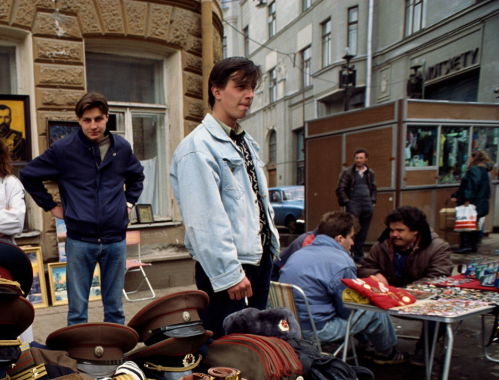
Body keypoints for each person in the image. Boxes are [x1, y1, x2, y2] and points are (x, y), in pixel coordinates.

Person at [170, 57, 280, 339]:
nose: (249, 94)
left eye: (252, 87)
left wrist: (270, 251)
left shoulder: (243, 142)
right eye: (241, 86)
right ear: (216, 91)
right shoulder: (198, 147)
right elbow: (204, 219)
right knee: (226, 350)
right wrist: (229, 273)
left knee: (254, 345)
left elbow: (256, 202)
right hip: (230, 268)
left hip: (256, 260)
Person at [20, 92, 145, 325]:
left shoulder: (122, 148)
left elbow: (137, 176)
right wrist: (51, 206)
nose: (93, 125)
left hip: (114, 240)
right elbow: (28, 175)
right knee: (77, 312)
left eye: (98, 119)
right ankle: (76, 357)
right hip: (80, 241)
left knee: (115, 309)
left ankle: (114, 355)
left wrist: (128, 204)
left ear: (107, 117)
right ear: (79, 120)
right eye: (87, 120)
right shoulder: (64, 150)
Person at [279, 212, 408, 364]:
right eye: (351, 237)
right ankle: (387, 353)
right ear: (340, 239)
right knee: (373, 310)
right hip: (315, 332)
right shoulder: (342, 261)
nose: (353, 242)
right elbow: (348, 308)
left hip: (287, 327)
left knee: (356, 311)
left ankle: (368, 344)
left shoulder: (299, 253)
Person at [358, 206, 452, 365]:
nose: (394, 234)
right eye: (392, 229)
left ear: (416, 230)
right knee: (353, 295)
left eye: (400, 230)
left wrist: (403, 292)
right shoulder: (382, 244)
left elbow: (438, 278)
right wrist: (375, 274)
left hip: (420, 299)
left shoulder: (438, 247)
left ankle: (425, 349)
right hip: (387, 297)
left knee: (442, 304)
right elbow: (364, 268)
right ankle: (369, 342)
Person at [336, 148, 377, 264]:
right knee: (352, 229)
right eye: (356, 158)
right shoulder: (348, 172)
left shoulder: (370, 173)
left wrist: (372, 201)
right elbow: (341, 188)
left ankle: (359, 256)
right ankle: (349, 254)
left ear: (366, 159)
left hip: (367, 204)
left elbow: (374, 188)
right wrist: (347, 202)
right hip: (354, 204)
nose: (358, 160)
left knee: (363, 231)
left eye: (361, 158)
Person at [453, 150, 494, 253]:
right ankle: (473, 245)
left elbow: (470, 186)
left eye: (470, 157)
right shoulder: (484, 170)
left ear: (475, 158)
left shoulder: (474, 170)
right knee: (474, 224)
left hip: (473, 201)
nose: (469, 159)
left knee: (466, 223)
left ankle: (466, 245)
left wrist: (467, 199)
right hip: (480, 202)